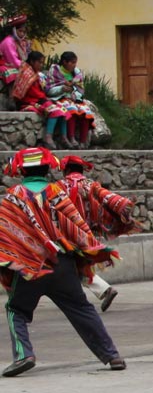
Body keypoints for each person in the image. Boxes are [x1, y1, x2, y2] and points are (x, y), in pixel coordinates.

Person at [0, 147, 126, 376]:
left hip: (30, 269)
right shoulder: (57, 192)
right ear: (48, 167)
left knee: (15, 309)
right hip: (63, 265)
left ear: (20, 170)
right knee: (81, 309)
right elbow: (77, 227)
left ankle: (23, 355)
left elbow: (5, 235)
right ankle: (111, 355)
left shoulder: (12, 197)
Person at [60, 154, 141, 311]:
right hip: (86, 231)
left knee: (71, 265)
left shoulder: (60, 186)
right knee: (77, 265)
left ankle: (102, 290)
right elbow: (110, 199)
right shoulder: (90, 184)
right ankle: (99, 291)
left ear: (67, 169)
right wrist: (124, 207)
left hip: (66, 233)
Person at [11, 51, 72, 148]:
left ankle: (64, 138)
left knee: (63, 110)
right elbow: (34, 93)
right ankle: (48, 137)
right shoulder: (27, 74)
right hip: (29, 102)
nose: (41, 65)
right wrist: (45, 98)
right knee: (54, 110)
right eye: (39, 62)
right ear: (32, 61)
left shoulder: (35, 73)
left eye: (42, 62)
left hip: (39, 99)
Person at [45, 53, 97, 146]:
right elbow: (49, 90)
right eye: (72, 63)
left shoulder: (77, 74)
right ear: (65, 62)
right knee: (71, 110)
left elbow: (80, 90)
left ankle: (82, 141)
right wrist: (61, 89)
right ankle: (71, 137)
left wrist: (74, 94)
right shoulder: (55, 72)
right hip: (60, 98)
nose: (74, 65)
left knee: (86, 113)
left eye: (75, 63)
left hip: (75, 99)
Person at [0, 14, 31, 90]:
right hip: (6, 65)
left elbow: (25, 56)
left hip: (15, 65)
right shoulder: (8, 42)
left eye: (24, 32)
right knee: (18, 74)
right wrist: (27, 67)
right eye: (20, 31)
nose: (22, 34)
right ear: (14, 30)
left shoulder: (20, 41)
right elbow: (13, 61)